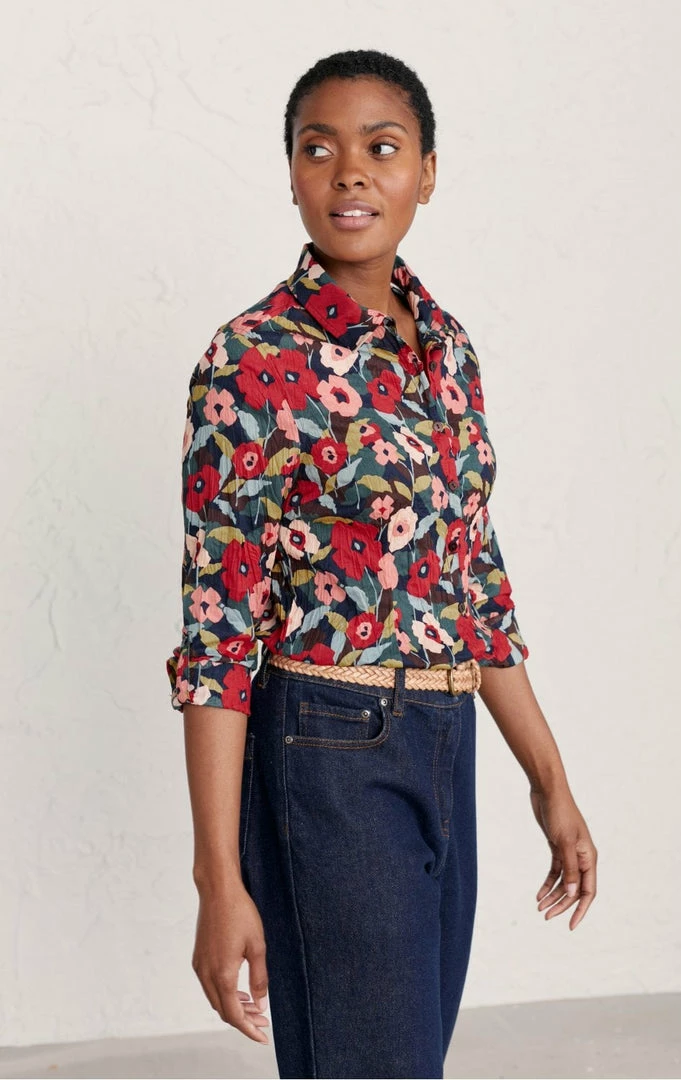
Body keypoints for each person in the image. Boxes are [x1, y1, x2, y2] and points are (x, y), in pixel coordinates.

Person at [166, 49, 598, 1080]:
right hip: (328, 746)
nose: (350, 171)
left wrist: (551, 782)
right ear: (292, 175)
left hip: (447, 741)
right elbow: (218, 633)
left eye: (382, 147)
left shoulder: (447, 349)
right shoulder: (250, 360)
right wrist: (217, 880)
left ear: (427, 173)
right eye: (319, 149)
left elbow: (474, 584)